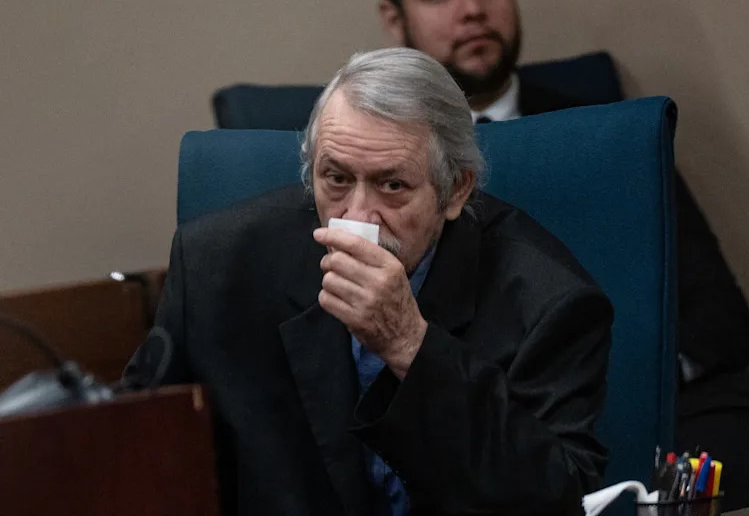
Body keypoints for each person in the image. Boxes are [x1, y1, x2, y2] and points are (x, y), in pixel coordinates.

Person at [374, 0, 749, 510]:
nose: (473, 8)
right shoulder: (380, 163)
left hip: (661, 407)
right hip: (480, 420)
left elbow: (721, 325)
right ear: (394, 19)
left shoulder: (614, 134)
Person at [128, 48, 612, 515]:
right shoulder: (216, 266)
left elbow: (559, 497)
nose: (357, 218)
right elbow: (134, 450)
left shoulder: (549, 303)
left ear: (455, 190)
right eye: (335, 179)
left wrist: (411, 347)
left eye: (392, 185)